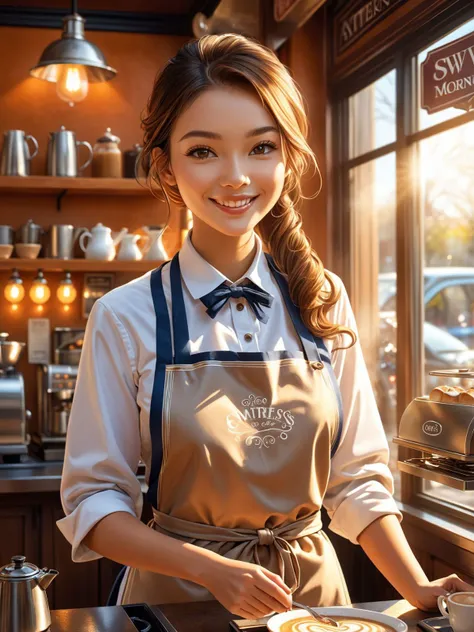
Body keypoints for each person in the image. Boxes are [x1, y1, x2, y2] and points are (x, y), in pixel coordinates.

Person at [58, 33, 474, 618]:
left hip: (317, 609)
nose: (235, 177)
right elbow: (94, 503)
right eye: (203, 151)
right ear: (165, 166)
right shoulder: (125, 316)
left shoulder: (321, 298)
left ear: (288, 157)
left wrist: (417, 589)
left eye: (261, 147)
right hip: (178, 603)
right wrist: (210, 568)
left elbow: (356, 479)